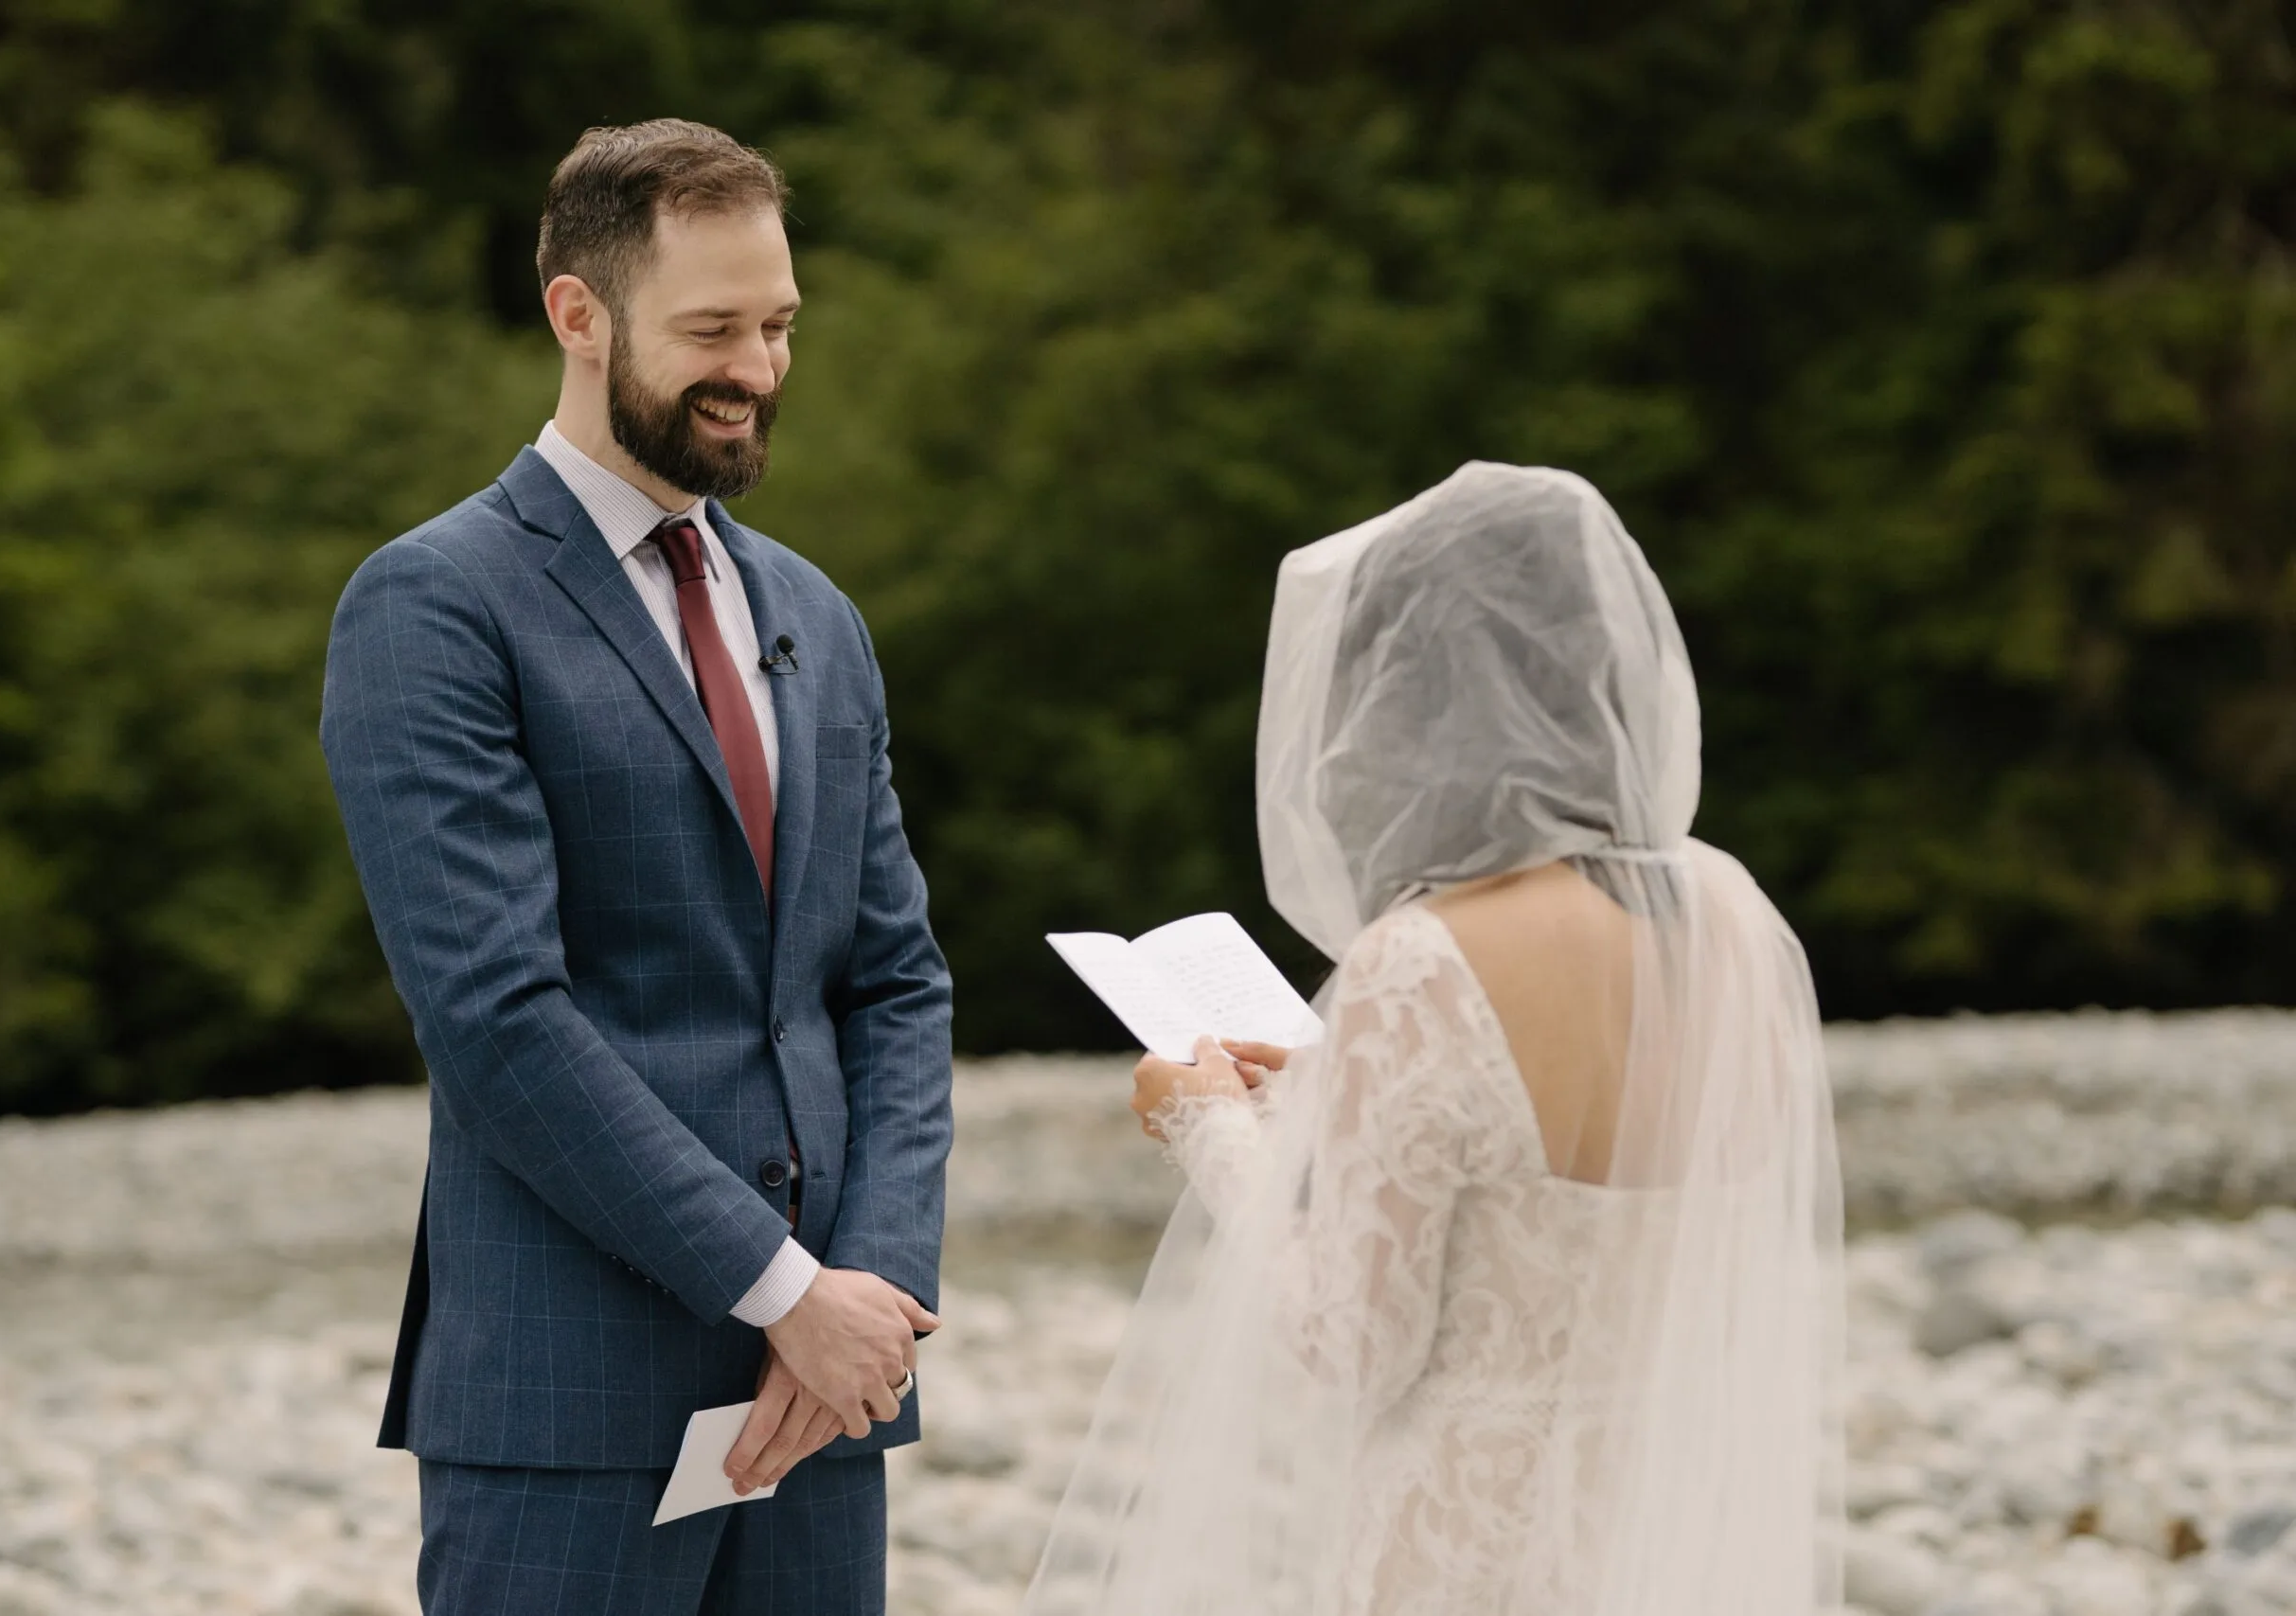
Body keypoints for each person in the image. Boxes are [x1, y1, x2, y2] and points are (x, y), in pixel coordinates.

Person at [319, 119, 952, 1615]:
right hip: (568, 1404)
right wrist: (784, 1287)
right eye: (713, 330)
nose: (760, 367)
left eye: (781, 323)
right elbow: (497, 1017)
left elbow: (894, 979)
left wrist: (872, 1298)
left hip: (824, 1408)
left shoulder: (817, 610)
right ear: (579, 314)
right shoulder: (432, 604)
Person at [1025, 464, 1845, 1616]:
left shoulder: (1423, 960)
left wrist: (1204, 1123)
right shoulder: (1731, 920)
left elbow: (1352, 1342)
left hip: (1462, 1556)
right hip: (1658, 1545)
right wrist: (1340, 1093)